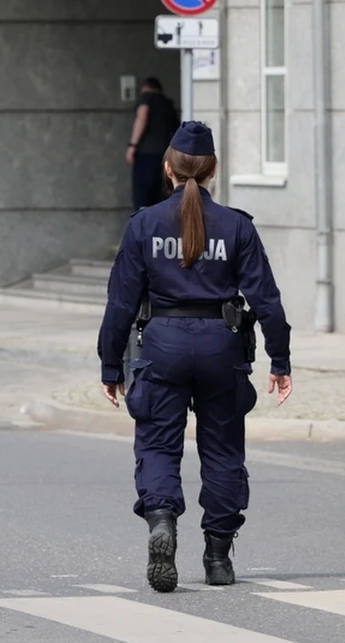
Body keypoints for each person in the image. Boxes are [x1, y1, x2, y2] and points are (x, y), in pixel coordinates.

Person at [97, 121, 293, 594]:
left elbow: (121, 302)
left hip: (161, 345)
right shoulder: (237, 226)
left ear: (167, 169)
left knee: (159, 445)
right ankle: (218, 557)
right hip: (221, 345)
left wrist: (110, 365)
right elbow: (266, 300)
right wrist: (280, 360)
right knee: (223, 451)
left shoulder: (144, 224)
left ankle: (162, 520)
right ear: (213, 171)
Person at [126, 77, 180, 211]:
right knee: (160, 196)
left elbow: (142, 117)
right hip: (166, 156)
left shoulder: (146, 98)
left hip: (146, 154)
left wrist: (132, 146)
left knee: (142, 196)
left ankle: (143, 227)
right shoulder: (168, 105)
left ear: (145, 88)